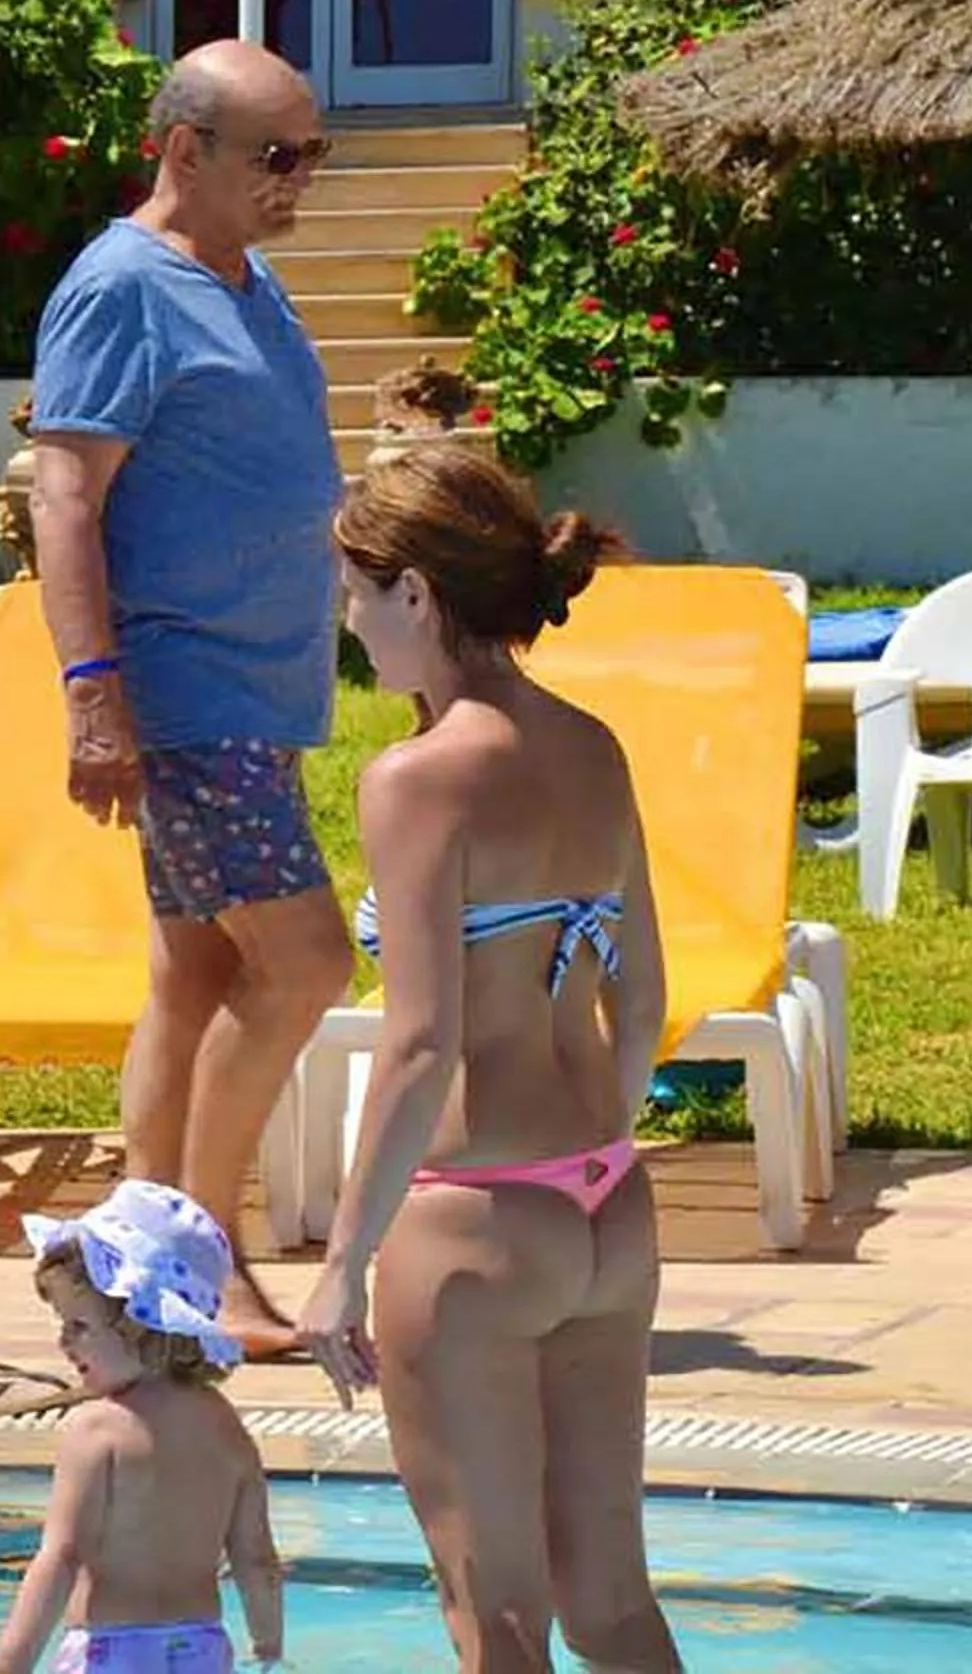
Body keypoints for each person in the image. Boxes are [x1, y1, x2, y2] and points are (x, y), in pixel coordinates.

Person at [292, 443, 680, 1671]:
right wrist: (598, 1153)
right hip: (608, 1208)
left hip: (473, 1223)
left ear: (416, 593)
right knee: (611, 1603)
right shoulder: (594, 746)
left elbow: (421, 1044)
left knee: (497, 1617)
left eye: (355, 596)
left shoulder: (417, 780)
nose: (349, 628)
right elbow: (646, 991)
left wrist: (340, 1262)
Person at [25, 39, 352, 1357]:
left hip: (256, 697)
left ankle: (139, 1256)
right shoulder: (121, 288)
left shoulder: (248, 281)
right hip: (189, 695)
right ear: (182, 152)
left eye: (313, 154)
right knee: (312, 961)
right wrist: (95, 696)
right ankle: (210, 1261)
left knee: (198, 975)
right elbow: (64, 497)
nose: (302, 180)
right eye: (278, 157)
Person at [0, 1181, 283, 1674]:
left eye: (78, 1326)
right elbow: (258, 1561)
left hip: (110, 1653)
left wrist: (10, 1663)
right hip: (202, 1650)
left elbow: (61, 1556)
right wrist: (268, 1648)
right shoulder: (226, 1428)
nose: (63, 1343)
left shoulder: (97, 1430)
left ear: (140, 1325)